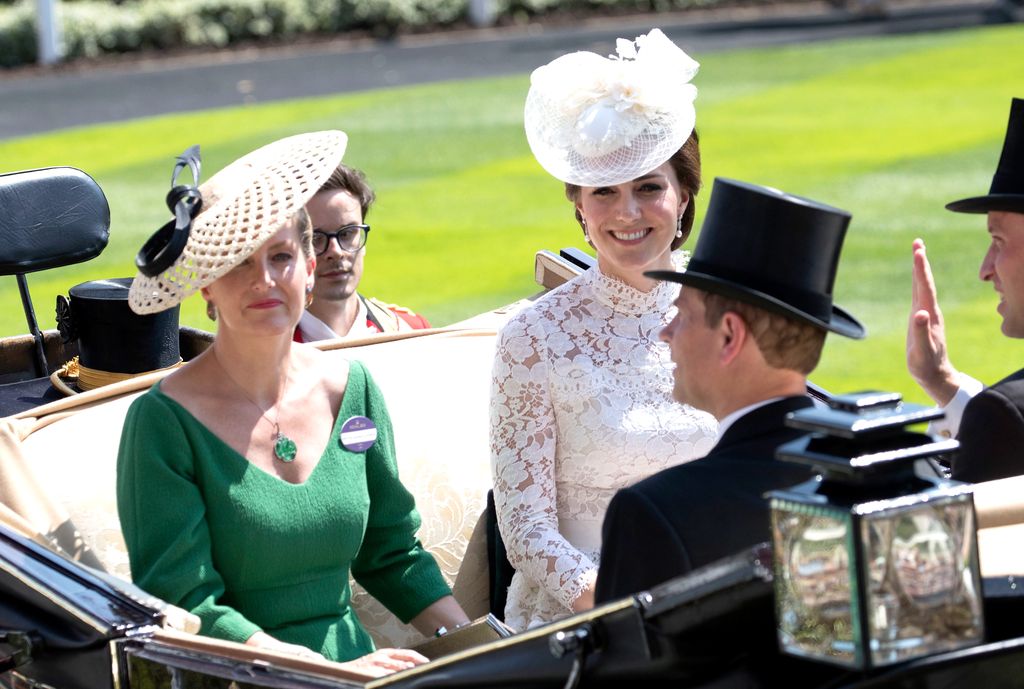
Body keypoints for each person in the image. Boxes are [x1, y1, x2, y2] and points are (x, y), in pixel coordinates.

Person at [117, 132, 469, 674]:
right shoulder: (162, 422)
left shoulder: (354, 388)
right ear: (205, 287)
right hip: (241, 676)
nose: (264, 280)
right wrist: (317, 670)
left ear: (308, 266)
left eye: (280, 256)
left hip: (357, 671)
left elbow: (391, 552)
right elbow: (186, 602)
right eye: (238, 263)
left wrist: (470, 643)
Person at [490, 28, 719, 631]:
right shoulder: (532, 338)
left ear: (685, 195)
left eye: (649, 188)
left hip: (724, 592)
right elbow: (527, 532)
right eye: (605, 192)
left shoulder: (730, 306)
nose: (628, 213)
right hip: (593, 617)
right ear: (579, 207)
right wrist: (631, 608)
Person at [596, 177, 866, 602]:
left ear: (729, 337)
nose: (666, 333)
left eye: (682, 316)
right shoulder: (892, 470)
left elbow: (625, 668)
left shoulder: (656, 513)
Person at [907, 97, 1024, 482]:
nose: (985, 269)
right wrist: (942, 380)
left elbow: (954, 542)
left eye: (999, 241)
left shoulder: (1002, 417)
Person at [295, 163, 431, 342]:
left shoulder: (411, 330)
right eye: (316, 238)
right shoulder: (260, 351)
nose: (336, 251)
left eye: (347, 233)